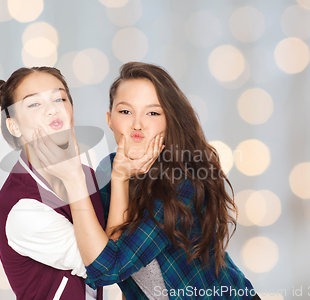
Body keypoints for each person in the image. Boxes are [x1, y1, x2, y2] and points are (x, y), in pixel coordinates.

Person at [32, 62, 259, 300]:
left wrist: (75, 180)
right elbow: (116, 260)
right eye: (125, 112)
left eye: (152, 113)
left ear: (169, 120)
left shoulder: (184, 181)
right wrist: (119, 179)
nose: (137, 125)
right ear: (109, 119)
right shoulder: (108, 170)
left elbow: (108, 269)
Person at [0, 66, 106, 300]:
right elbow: (104, 266)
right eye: (34, 104)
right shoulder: (22, 207)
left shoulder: (85, 174)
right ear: (14, 126)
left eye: (59, 98)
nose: (53, 109)